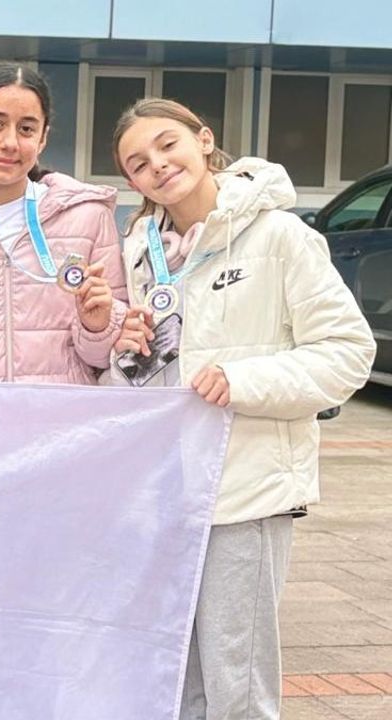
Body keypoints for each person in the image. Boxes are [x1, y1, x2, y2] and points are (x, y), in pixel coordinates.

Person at [109, 98, 376, 719]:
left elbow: (348, 352)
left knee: (238, 685)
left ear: (204, 140)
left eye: (168, 144)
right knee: (179, 676)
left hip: (245, 492)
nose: (158, 165)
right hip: (171, 492)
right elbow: (152, 375)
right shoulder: (143, 252)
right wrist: (127, 351)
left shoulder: (280, 236)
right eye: (138, 163)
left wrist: (243, 379)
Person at [0, 63, 126, 383]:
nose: (10, 143)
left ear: (43, 138)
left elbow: (112, 357)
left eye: (26, 129)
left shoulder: (88, 219)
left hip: (61, 414)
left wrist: (97, 326)